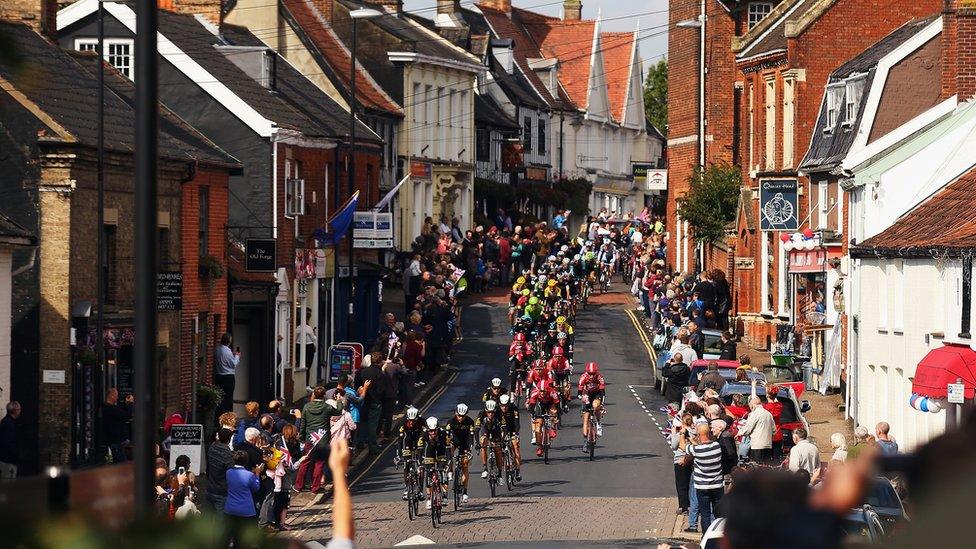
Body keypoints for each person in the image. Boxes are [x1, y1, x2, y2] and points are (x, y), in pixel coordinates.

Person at [678, 423, 724, 533]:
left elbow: (682, 445)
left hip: (702, 487)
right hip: (717, 486)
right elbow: (703, 444)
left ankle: (706, 537)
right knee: (717, 513)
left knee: (705, 514)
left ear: (698, 435)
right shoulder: (717, 446)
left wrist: (682, 433)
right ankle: (717, 535)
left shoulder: (697, 450)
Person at [296, 386, 340, 493]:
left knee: (305, 461)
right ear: (324, 395)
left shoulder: (306, 407)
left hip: (310, 438)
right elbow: (338, 411)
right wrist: (339, 401)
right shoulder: (327, 407)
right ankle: (315, 488)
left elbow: (303, 423)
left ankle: (298, 486)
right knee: (319, 463)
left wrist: (301, 436)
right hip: (322, 438)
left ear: (314, 395)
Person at [224, 450, 262, 546]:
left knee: (233, 535)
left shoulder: (228, 472)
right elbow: (256, 488)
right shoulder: (249, 475)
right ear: (246, 461)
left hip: (230, 509)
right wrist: (257, 474)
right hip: (246, 511)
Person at [417, 416, 450, 510]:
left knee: (443, 472)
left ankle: (444, 495)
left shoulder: (443, 433)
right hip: (429, 451)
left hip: (441, 450)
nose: (433, 433)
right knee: (428, 472)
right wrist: (420, 465)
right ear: (427, 430)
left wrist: (448, 465)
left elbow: (448, 452)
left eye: (434, 430)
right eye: (430, 431)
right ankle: (428, 498)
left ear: (437, 429)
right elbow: (419, 451)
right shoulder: (423, 435)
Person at [446, 403, 476, 503]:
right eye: (459, 415)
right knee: (449, 450)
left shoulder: (470, 422)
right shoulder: (451, 422)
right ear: (456, 413)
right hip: (454, 441)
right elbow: (446, 437)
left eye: (463, 416)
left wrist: (470, 449)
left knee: (465, 465)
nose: (460, 418)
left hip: (465, 443)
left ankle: (465, 492)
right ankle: (450, 470)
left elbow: (471, 437)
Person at [670, 412, 695, 517]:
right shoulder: (694, 432)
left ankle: (683, 507)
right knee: (690, 484)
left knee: (681, 484)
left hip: (680, 460)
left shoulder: (681, 432)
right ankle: (691, 505)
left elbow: (674, 446)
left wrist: (673, 433)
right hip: (692, 459)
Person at [527, 379, 560, 457]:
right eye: (540, 391)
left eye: (544, 391)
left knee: (554, 412)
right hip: (540, 405)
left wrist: (557, 416)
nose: (542, 393)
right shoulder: (534, 393)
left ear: (547, 389)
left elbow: (557, 405)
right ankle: (539, 447)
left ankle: (552, 427)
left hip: (550, 403)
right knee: (538, 427)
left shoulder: (552, 393)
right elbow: (532, 406)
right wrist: (533, 415)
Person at [739, 393, 775, 463]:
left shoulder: (754, 414)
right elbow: (774, 430)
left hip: (757, 446)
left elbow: (747, 429)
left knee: (757, 468)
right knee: (767, 467)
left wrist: (739, 433)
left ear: (751, 404)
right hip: (768, 445)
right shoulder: (768, 414)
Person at [578, 362, 606, 450]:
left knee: (595, 405)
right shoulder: (583, 378)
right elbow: (579, 393)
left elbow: (602, 393)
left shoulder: (599, 377)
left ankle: (598, 423)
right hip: (587, 394)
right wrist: (583, 399)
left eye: (593, 374)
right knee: (586, 418)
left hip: (597, 394)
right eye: (589, 374)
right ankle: (585, 440)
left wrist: (601, 404)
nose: (591, 376)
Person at [205, 427, 234, 512]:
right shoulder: (227, 454)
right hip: (221, 490)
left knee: (208, 518)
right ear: (229, 440)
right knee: (221, 519)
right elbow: (231, 472)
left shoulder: (212, 447)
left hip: (210, 487)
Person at [477, 400, 506, 483]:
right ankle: (485, 468)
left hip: (496, 430)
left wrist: (502, 440)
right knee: (483, 443)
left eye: (492, 412)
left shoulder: (499, 414)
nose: (491, 414)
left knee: (498, 450)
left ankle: (500, 475)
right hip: (485, 429)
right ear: (486, 411)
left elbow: (504, 428)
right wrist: (477, 443)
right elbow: (476, 429)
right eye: (489, 412)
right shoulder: (481, 414)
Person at [102, 389, 132, 464]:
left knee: (118, 464)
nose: (117, 397)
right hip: (116, 442)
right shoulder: (110, 408)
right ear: (112, 396)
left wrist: (126, 403)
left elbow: (121, 412)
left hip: (116, 442)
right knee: (123, 465)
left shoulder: (110, 408)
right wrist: (131, 404)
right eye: (116, 395)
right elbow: (126, 415)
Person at [213, 332, 241, 416]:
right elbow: (233, 364)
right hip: (228, 377)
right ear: (229, 341)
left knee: (220, 398)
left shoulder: (217, 349)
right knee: (227, 399)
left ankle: (218, 418)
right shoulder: (227, 351)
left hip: (218, 376)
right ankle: (225, 418)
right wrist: (237, 356)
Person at [497, 394, 522, 481]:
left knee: (515, 447)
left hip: (512, 429)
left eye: (506, 406)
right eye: (502, 406)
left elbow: (517, 423)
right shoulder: (496, 409)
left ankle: (518, 470)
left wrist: (516, 433)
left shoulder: (514, 408)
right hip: (501, 429)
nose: (504, 408)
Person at [0, 401, 20, 480]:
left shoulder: (6, 421)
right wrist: (16, 455)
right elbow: (8, 442)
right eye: (19, 409)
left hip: (6, 458)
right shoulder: (9, 424)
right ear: (15, 410)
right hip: (8, 460)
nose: (20, 411)